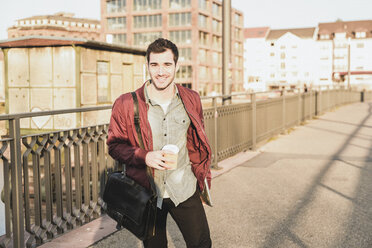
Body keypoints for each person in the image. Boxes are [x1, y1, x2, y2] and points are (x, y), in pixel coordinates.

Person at [107, 38, 212, 248]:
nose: (161, 72)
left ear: (176, 66)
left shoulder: (191, 99)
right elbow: (114, 146)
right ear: (147, 66)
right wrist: (145, 156)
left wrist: (203, 179)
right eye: (154, 65)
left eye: (167, 64)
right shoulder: (126, 103)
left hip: (183, 187)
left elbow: (197, 143)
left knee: (202, 244)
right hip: (148, 191)